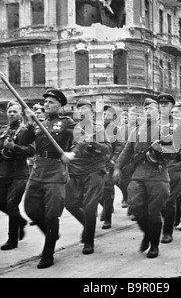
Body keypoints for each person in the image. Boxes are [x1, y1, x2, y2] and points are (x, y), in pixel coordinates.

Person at [21, 89, 76, 269]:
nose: (47, 105)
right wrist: (29, 123)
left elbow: (82, 139)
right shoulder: (39, 123)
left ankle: (48, 253)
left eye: (51, 102)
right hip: (38, 171)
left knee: (52, 214)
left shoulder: (67, 123)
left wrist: (72, 153)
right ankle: (52, 232)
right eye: (45, 102)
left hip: (55, 172)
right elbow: (23, 140)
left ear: (60, 105)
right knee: (30, 208)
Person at [113, 98, 171, 259]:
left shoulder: (165, 129)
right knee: (136, 207)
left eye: (151, 108)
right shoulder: (136, 130)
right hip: (139, 175)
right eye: (145, 109)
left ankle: (154, 245)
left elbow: (175, 154)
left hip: (158, 176)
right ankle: (148, 233)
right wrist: (117, 167)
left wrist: (162, 150)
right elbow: (126, 152)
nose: (147, 111)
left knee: (153, 213)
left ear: (158, 110)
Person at [0, 101, 35, 251]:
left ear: (20, 114)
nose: (11, 114)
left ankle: (12, 239)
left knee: (11, 205)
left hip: (19, 174)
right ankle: (21, 222)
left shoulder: (26, 131)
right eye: (10, 111)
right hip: (2, 173)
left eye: (15, 112)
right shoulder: (2, 132)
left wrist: (15, 147)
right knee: (1, 204)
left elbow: (31, 151)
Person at [65, 99, 112, 255]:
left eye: (85, 109)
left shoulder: (98, 128)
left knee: (90, 206)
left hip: (93, 171)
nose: (82, 112)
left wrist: (94, 144)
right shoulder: (72, 128)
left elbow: (107, 149)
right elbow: (65, 149)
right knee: (70, 203)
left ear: (91, 113)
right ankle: (87, 224)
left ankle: (89, 241)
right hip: (74, 171)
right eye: (80, 110)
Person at [157, 94, 181, 244]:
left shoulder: (179, 123)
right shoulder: (153, 123)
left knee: (170, 199)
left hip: (174, 165)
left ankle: (167, 232)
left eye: (166, 104)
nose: (163, 106)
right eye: (161, 104)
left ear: (172, 107)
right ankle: (167, 222)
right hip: (157, 167)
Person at [99, 105, 126, 230]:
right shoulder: (97, 129)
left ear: (113, 117)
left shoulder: (116, 130)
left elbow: (120, 147)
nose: (105, 117)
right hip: (96, 164)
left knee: (107, 190)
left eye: (108, 115)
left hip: (109, 164)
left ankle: (108, 219)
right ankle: (106, 208)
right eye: (104, 114)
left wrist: (114, 161)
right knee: (96, 191)